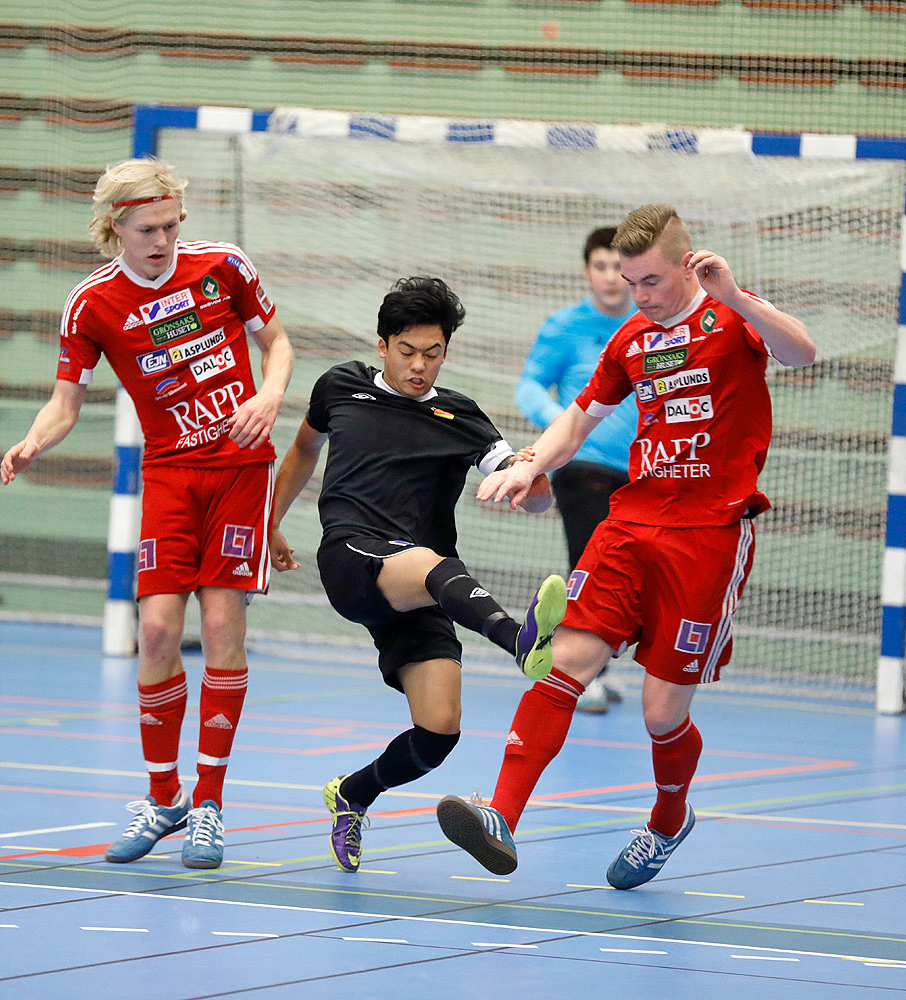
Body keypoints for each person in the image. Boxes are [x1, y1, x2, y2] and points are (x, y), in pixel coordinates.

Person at [436, 204, 815, 887]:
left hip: (709, 535)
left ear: (686, 264)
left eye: (649, 281)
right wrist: (530, 465)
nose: (637, 295)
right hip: (632, 522)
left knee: (661, 711)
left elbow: (802, 352)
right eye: (628, 280)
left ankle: (670, 818)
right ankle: (502, 815)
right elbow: (579, 418)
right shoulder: (631, 339)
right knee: (567, 660)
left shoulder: (731, 315)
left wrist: (733, 295)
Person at [1, 158, 294, 870]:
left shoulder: (224, 266)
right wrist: (34, 439)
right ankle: (164, 799)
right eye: (146, 229)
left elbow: (277, 345)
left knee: (222, 624)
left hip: (238, 470)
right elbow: (66, 401)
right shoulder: (92, 304)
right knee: (158, 627)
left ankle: (211, 804)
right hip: (168, 474)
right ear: (114, 229)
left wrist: (268, 397)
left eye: (169, 225)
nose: (162, 240)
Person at [266, 276, 567, 873]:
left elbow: (533, 494)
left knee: (438, 733)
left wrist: (532, 481)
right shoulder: (341, 387)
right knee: (432, 564)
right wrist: (269, 521)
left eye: (433, 353)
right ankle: (518, 640)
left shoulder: (462, 417)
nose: (419, 366)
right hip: (353, 559)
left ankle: (353, 794)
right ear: (383, 345)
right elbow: (303, 450)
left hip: (425, 587)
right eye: (408, 352)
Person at [516, 226, 636, 714]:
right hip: (582, 465)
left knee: (623, 574)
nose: (610, 277)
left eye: (617, 266)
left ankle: (594, 667)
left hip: (643, 473)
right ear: (587, 270)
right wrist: (564, 426)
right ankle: (572, 674)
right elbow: (529, 386)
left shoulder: (651, 325)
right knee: (589, 566)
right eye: (599, 265)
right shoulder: (564, 326)